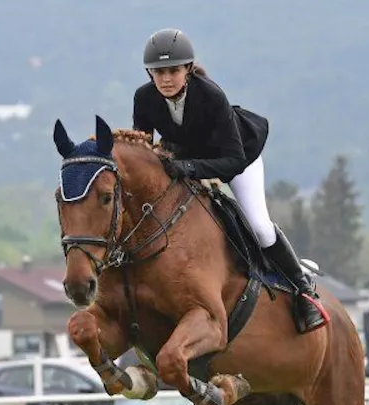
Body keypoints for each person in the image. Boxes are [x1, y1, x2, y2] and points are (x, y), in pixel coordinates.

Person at [132, 28, 327, 333]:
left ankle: (304, 293)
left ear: (187, 70)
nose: (166, 79)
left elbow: (233, 159)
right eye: (158, 72)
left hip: (238, 161)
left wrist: (189, 168)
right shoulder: (144, 98)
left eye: (172, 71)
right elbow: (144, 147)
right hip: (187, 161)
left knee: (260, 227)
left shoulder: (210, 95)